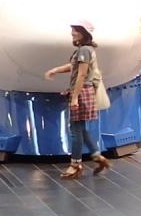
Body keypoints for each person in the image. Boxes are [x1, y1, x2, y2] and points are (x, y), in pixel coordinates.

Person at [44, 21, 111, 180]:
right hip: (84, 91)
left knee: (75, 131)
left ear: (83, 33)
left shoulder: (84, 50)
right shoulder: (86, 50)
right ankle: (97, 156)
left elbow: (81, 74)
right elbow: (74, 67)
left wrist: (74, 98)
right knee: (80, 129)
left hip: (81, 92)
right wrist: (56, 70)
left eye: (75, 30)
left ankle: (75, 165)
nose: (72, 33)